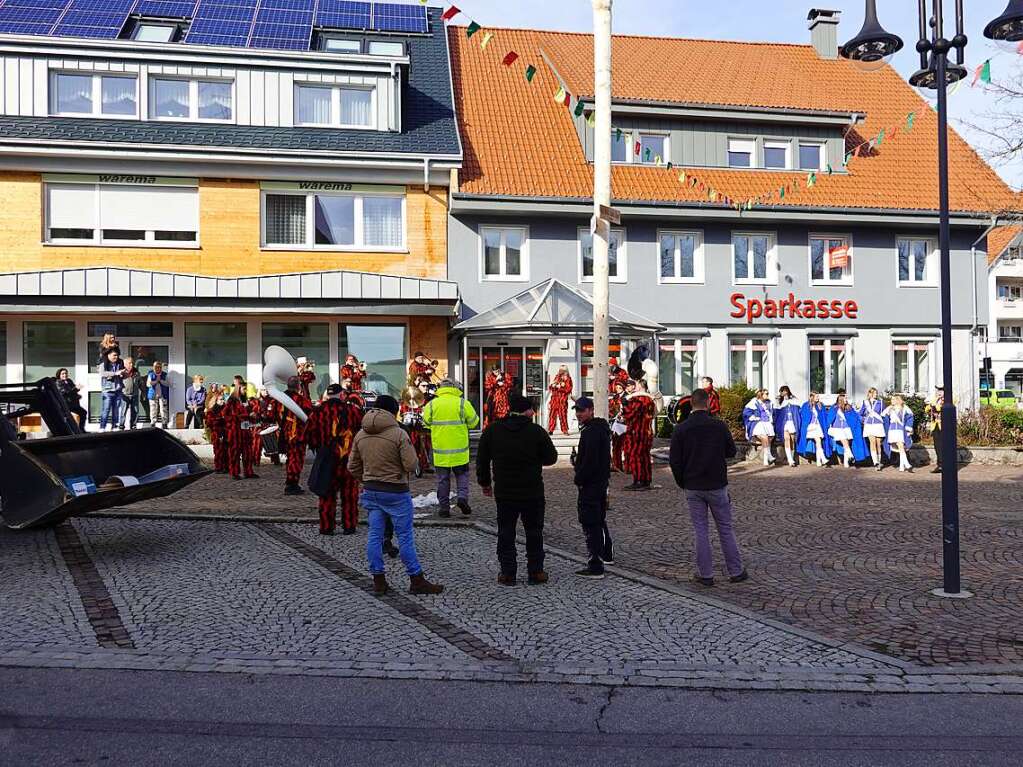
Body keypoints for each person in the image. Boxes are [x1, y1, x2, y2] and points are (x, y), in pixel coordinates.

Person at [349, 395, 443, 596]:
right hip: (395, 492)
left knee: (374, 536)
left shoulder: (360, 434)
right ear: (393, 412)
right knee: (405, 537)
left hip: (372, 491)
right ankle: (416, 579)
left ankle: (379, 580)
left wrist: (365, 479)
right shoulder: (398, 434)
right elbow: (411, 464)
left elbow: (352, 466)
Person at [668, 388, 747, 588]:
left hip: (693, 485)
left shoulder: (681, 429)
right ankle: (736, 571)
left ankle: (706, 574)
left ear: (691, 404)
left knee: (701, 530)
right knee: (725, 529)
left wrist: (682, 482)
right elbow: (731, 451)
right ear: (708, 403)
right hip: (717, 483)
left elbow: (674, 461)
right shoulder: (718, 426)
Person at [477, 393, 558, 586]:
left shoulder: (493, 430)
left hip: (505, 491)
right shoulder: (536, 431)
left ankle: (507, 573)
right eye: (532, 408)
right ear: (527, 411)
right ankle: (536, 571)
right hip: (532, 491)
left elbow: (482, 459)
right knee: (534, 532)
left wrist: (485, 483)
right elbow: (551, 458)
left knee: (505, 532)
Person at [306, 384, 361, 535]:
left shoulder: (317, 412)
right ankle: (349, 526)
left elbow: (310, 434)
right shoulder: (353, 411)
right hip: (348, 458)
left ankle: (326, 526)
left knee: (326, 494)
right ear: (342, 394)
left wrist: (319, 448)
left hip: (327, 457)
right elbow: (360, 432)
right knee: (350, 494)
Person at [422, 378, 479, 518]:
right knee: (462, 477)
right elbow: (474, 422)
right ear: (455, 388)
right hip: (460, 450)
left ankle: (444, 508)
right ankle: (462, 498)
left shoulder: (432, 404)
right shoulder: (462, 403)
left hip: (440, 451)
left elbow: (425, 423)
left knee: (443, 480)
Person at [572, 397, 614, 579]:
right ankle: (605, 555)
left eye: (581, 410)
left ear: (590, 410)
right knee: (598, 520)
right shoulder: (599, 429)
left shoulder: (591, 432)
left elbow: (589, 461)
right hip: (600, 482)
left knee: (591, 523)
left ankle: (596, 564)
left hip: (591, 484)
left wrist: (579, 477)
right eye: (577, 411)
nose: (578, 414)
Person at [621, 378, 656, 491]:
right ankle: (646, 480)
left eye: (636, 384)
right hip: (647, 432)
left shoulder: (640, 399)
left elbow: (630, 415)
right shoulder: (649, 399)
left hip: (637, 433)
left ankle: (639, 480)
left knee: (636, 456)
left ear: (641, 385)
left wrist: (625, 405)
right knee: (645, 456)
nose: (634, 386)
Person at [282, 376, 314, 495]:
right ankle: (292, 484)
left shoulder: (281, 398)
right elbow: (310, 415)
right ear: (298, 386)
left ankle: (290, 482)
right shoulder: (300, 399)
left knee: (290, 459)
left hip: (285, 434)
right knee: (296, 460)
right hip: (297, 435)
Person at [223, 381, 257, 480]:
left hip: (245, 430)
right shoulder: (232, 401)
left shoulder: (245, 400)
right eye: (243, 389)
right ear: (238, 389)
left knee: (248, 452)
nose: (245, 391)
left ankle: (248, 472)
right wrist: (246, 416)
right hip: (235, 431)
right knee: (235, 452)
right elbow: (227, 415)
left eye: (246, 389)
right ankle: (234, 472)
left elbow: (249, 414)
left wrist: (253, 416)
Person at [826, 393, 867, 469]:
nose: (846, 400)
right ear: (841, 399)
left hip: (846, 428)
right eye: (845, 399)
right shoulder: (834, 408)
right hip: (836, 429)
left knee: (846, 443)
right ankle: (851, 455)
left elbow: (855, 416)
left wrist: (863, 419)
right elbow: (829, 418)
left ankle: (846, 462)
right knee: (844, 439)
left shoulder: (849, 408)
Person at [742, 389, 775, 467]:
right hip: (758, 423)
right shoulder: (754, 402)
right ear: (761, 395)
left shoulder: (769, 403)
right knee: (765, 438)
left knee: (769, 439)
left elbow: (772, 413)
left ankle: (768, 457)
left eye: (768, 393)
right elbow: (746, 412)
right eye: (766, 394)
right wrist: (754, 417)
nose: (767, 395)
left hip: (767, 423)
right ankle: (766, 459)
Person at [883, 394, 915, 472]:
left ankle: (903, 466)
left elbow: (910, 417)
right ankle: (906, 465)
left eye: (893, 399)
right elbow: (884, 417)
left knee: (901, 446)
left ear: (897, 400)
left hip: (901, 429)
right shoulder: (889, 409)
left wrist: (908, 427)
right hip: (893, 429)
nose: (891, 401)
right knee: (900, 446)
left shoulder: (904, 408)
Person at [797, 392, 830, 467]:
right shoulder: (806, 405)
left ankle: (820, 460)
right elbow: (803, 416)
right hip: (810, 427)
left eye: (818, 396)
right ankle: (822, 459)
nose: (818, 398)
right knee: (818, 441)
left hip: (817, 426)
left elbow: (823, 416)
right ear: (812, 397)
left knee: (818, 441)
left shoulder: (820, 405)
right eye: (816, 396)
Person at [773, 386, 802, 467]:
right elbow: (778, 412)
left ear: (787, 391)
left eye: (784, 391)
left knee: (792, 440)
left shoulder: (794, 399)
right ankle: (790, 460)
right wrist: (778, 401)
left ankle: (791, 458)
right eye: (781, 392)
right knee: (787, 439)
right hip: (784, 423)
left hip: (792, 422)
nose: (783, 393)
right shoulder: (780, 401)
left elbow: (797, 409)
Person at [859, 387, 887, 471]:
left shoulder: (880, 402)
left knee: (878, 443)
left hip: (878, 424)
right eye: (874, 393)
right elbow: (860, 413)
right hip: (869, 425)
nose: (876, 394)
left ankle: (879, 460)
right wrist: (863, 420)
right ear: (870, 393)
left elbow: (884, 413)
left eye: (876, 393)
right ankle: (875, 462)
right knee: (872, 442)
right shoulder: (865, 402)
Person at [98, 350, 124, 432]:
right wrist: (115, 373)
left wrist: (123, 374)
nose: (116, 357)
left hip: (118, 390)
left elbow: (123, 374)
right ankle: (102, 427)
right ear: (109, 355)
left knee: (116, 410)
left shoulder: (119, 364)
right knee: (106, 409)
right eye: (114, 355)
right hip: (108, 391)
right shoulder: (104, 364)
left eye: (117, 355)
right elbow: (102, 373)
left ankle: (114, 426)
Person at [205, 385, 228, 474]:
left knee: (226, 451)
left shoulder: (226, 409)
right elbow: (209, 423)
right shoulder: (212, 411)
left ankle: (226, 467)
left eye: (223, 399)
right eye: (220, 400)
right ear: (216, 400)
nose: (222, 401)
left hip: (225, 432)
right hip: (217, 433)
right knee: (218, 451)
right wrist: (219, 420)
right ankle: (219, 467)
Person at [547, 365, 573, 435]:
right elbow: (550, 387)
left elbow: (568, 390)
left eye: (563, 370)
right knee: (552, 415)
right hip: (554, 399)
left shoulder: (568, 379)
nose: (561, 372)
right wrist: (553, 386)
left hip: (562, 400)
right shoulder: (557, 377)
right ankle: (551, 430)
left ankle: (565, 430)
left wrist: (560, 388)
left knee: (563, 415)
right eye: (560, 370)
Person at [926, 385, 946, 474]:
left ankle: (946, 464)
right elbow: (927, 409)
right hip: (935, 425)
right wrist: (934, 401)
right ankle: (940, 464)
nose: (939, 393)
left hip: (944, 426)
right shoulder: (935, 400)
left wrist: (935, 404)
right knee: (937, 446)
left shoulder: (948, 400)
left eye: (941, 391)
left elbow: (938, 408)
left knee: (944, 445)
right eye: (938, 391)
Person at [119, 356, 143, 430]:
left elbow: (140, 383)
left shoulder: (136, 372)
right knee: (123, 411)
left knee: (135, 411)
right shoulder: (122, 373)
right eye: (129, 363)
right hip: (124, 395)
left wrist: (143, 391)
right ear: (125, 364)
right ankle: (121, 426)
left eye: (132, 363)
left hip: (134, 395)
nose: (131, 365)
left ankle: (133, 425)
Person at [609, 379, 627, 473]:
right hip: (616, 423)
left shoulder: (627, 396)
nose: (618, 389)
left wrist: (623, 414)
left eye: (620, 387)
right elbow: (611, 408)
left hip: (624, 424)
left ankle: (628, 466)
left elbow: (628, 409)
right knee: (615, 445)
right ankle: (617, 465)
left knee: (625, 446)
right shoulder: (615, 397)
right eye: (616, 387)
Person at [146, 361, 170, 428]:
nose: (157, 368)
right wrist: (156, 381)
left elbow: (168, 383)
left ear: (161, 368)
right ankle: (153, 423)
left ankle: (164, 423)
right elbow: (148, 384)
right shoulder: (151, 374)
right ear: (153, 368)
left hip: (163, 394)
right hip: (153, 394)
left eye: (159, 367)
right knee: (153, 409)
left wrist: (161, 381)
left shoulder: (165, 374)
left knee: (163, 409)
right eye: (156, 367)